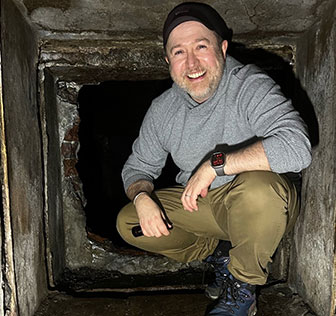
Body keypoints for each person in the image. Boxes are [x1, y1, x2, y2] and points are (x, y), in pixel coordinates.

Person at [116, 2, 312, 315]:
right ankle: (218, 254)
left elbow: (298, 147)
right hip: (205, 208)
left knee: (258, 190)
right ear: (168, 60)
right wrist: (141, 196)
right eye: (179, 52)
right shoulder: (163, 110)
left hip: (263, 206)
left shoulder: (249, 85)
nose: (191, 62)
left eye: (201, 46)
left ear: (222, 47)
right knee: (129, 222)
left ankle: (242, 288)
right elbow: (137, 168)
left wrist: (215, 164)